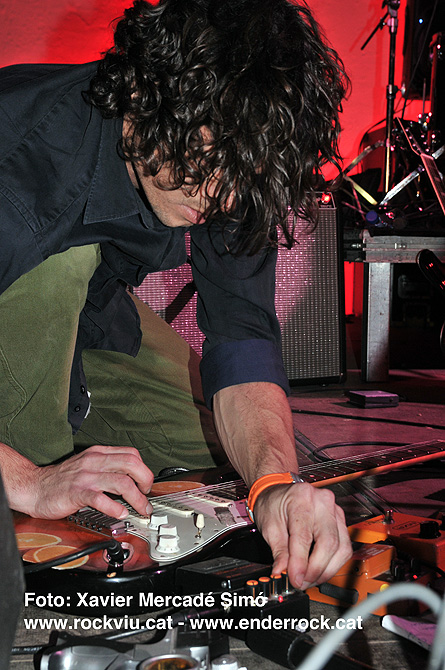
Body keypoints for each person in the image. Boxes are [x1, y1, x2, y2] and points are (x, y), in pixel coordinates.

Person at [0, 0, 352, 591]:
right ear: (143, 93)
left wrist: (273, 484)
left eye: (242, 177)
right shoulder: (18, 157)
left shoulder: (225, 167)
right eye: (211, 164)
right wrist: (29, 480)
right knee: (61, 266)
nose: (222, 199)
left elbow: (241, 338)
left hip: (95, 316)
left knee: (239, 469)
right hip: (24, 290)